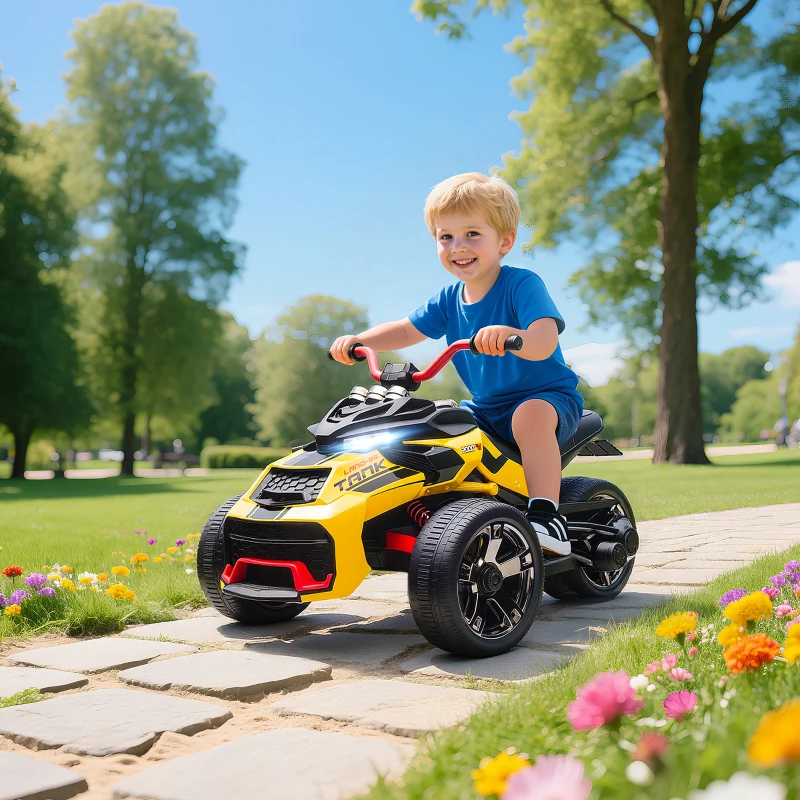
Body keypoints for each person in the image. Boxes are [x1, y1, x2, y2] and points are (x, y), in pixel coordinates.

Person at [330, 172, 583, 556]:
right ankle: (444, 517)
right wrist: (362, 341)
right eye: (445, 237)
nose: (457, 246)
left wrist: (512, 336)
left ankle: (547, 515)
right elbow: (403, 330)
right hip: (485, 408)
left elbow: (545, 342)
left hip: (546, 397)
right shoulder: (449, 299)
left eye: (472, 234)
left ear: (505, 241)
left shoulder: (521, 285)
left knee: (529, 417)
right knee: (437, 426)